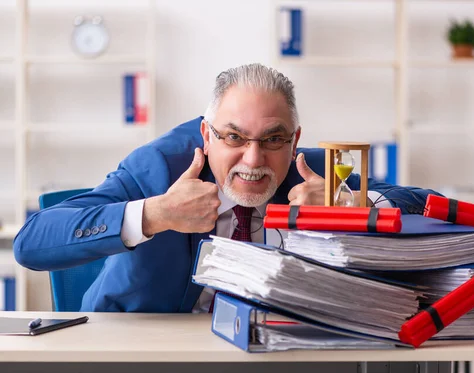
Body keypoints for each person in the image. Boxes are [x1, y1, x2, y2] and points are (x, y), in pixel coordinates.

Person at [14, 63, 439, 312]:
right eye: (234, 137)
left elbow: (431, 206)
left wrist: (349, 202)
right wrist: (154, 214)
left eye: (273, 139)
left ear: (293, 140)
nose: (253, 160)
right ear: (206, 134)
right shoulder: (159, 168)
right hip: (137, 366)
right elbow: (31, 243)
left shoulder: (317, 171)